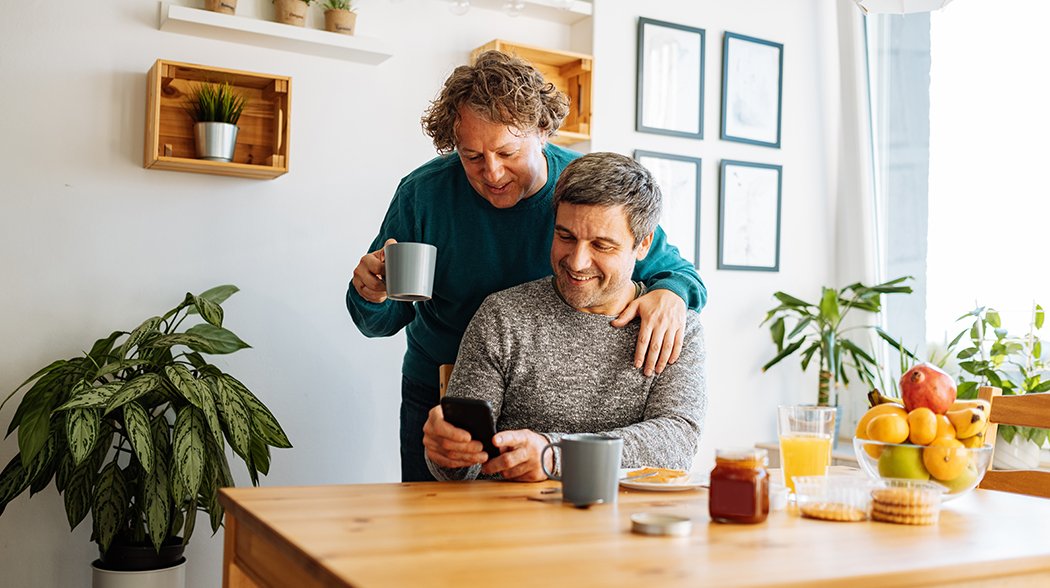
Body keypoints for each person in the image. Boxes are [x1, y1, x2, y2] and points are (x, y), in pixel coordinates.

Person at [346, 51, 708, 482]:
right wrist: (372, 293)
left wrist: (671, 294)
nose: (492, 172)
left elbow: (671, 269)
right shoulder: (425, 195)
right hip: (444, 392)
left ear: (542, 132)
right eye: (472, 156)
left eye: (507, 151)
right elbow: (381, 318)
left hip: (555, 406)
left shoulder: (582, 190)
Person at [423, 152, 707, 482]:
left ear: (643, 245)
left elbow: (676, 443)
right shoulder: (503, 317)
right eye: (566, 237)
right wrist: (448, 452)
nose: (577, 261)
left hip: (627, 523)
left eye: (602, 245)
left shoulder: (676, 328)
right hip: (509, 522)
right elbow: (460, 472)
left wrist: (554, 455)